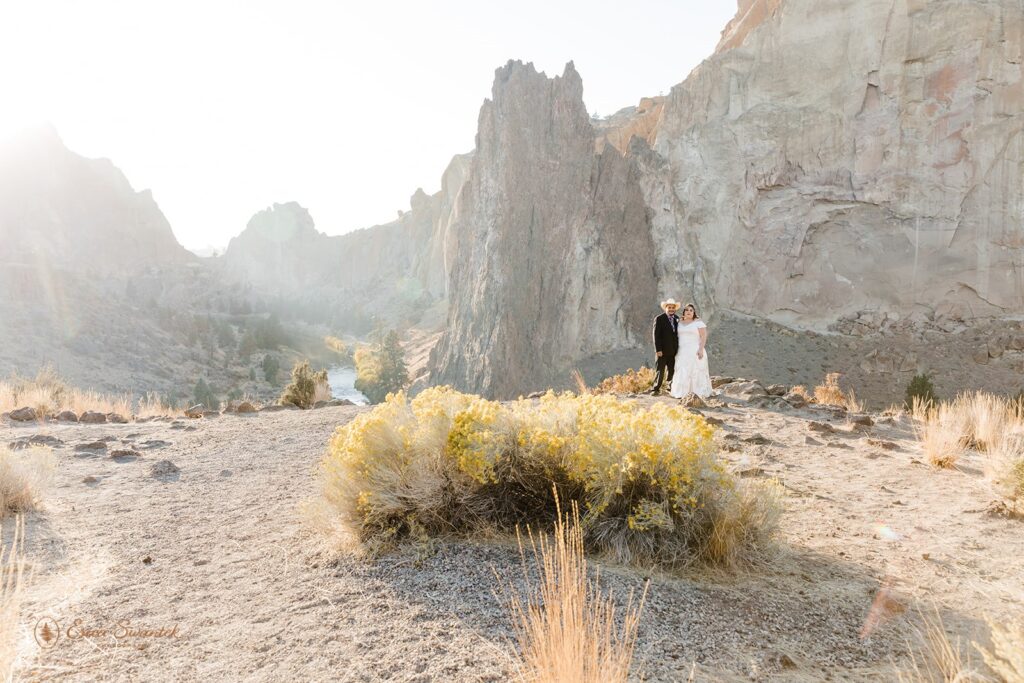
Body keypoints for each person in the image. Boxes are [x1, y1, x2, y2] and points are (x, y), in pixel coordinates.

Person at [670, 302, 712, 399]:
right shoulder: (679, 322)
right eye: (687, 310)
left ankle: (697, 392)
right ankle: (682, 392)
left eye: (691, 310)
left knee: (696, 370)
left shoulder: (698, 323)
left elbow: (703, 336)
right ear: (683, 312)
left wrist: (701, 349)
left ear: (694, 313)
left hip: (695, 350)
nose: (689, 312)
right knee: (682, 370)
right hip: (681, 351)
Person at [649, 299, 680, 395]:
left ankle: (670, 387)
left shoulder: (677, 319)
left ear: (675, 309)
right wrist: (658, 349)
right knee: (660, 370)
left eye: (672, 308)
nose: (671, 309)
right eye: (669, 307)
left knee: (672, 370)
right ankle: (656, 389)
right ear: (665, 308)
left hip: (673, 350)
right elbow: (656, 336)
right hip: (662, 351)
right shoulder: (659, 319)